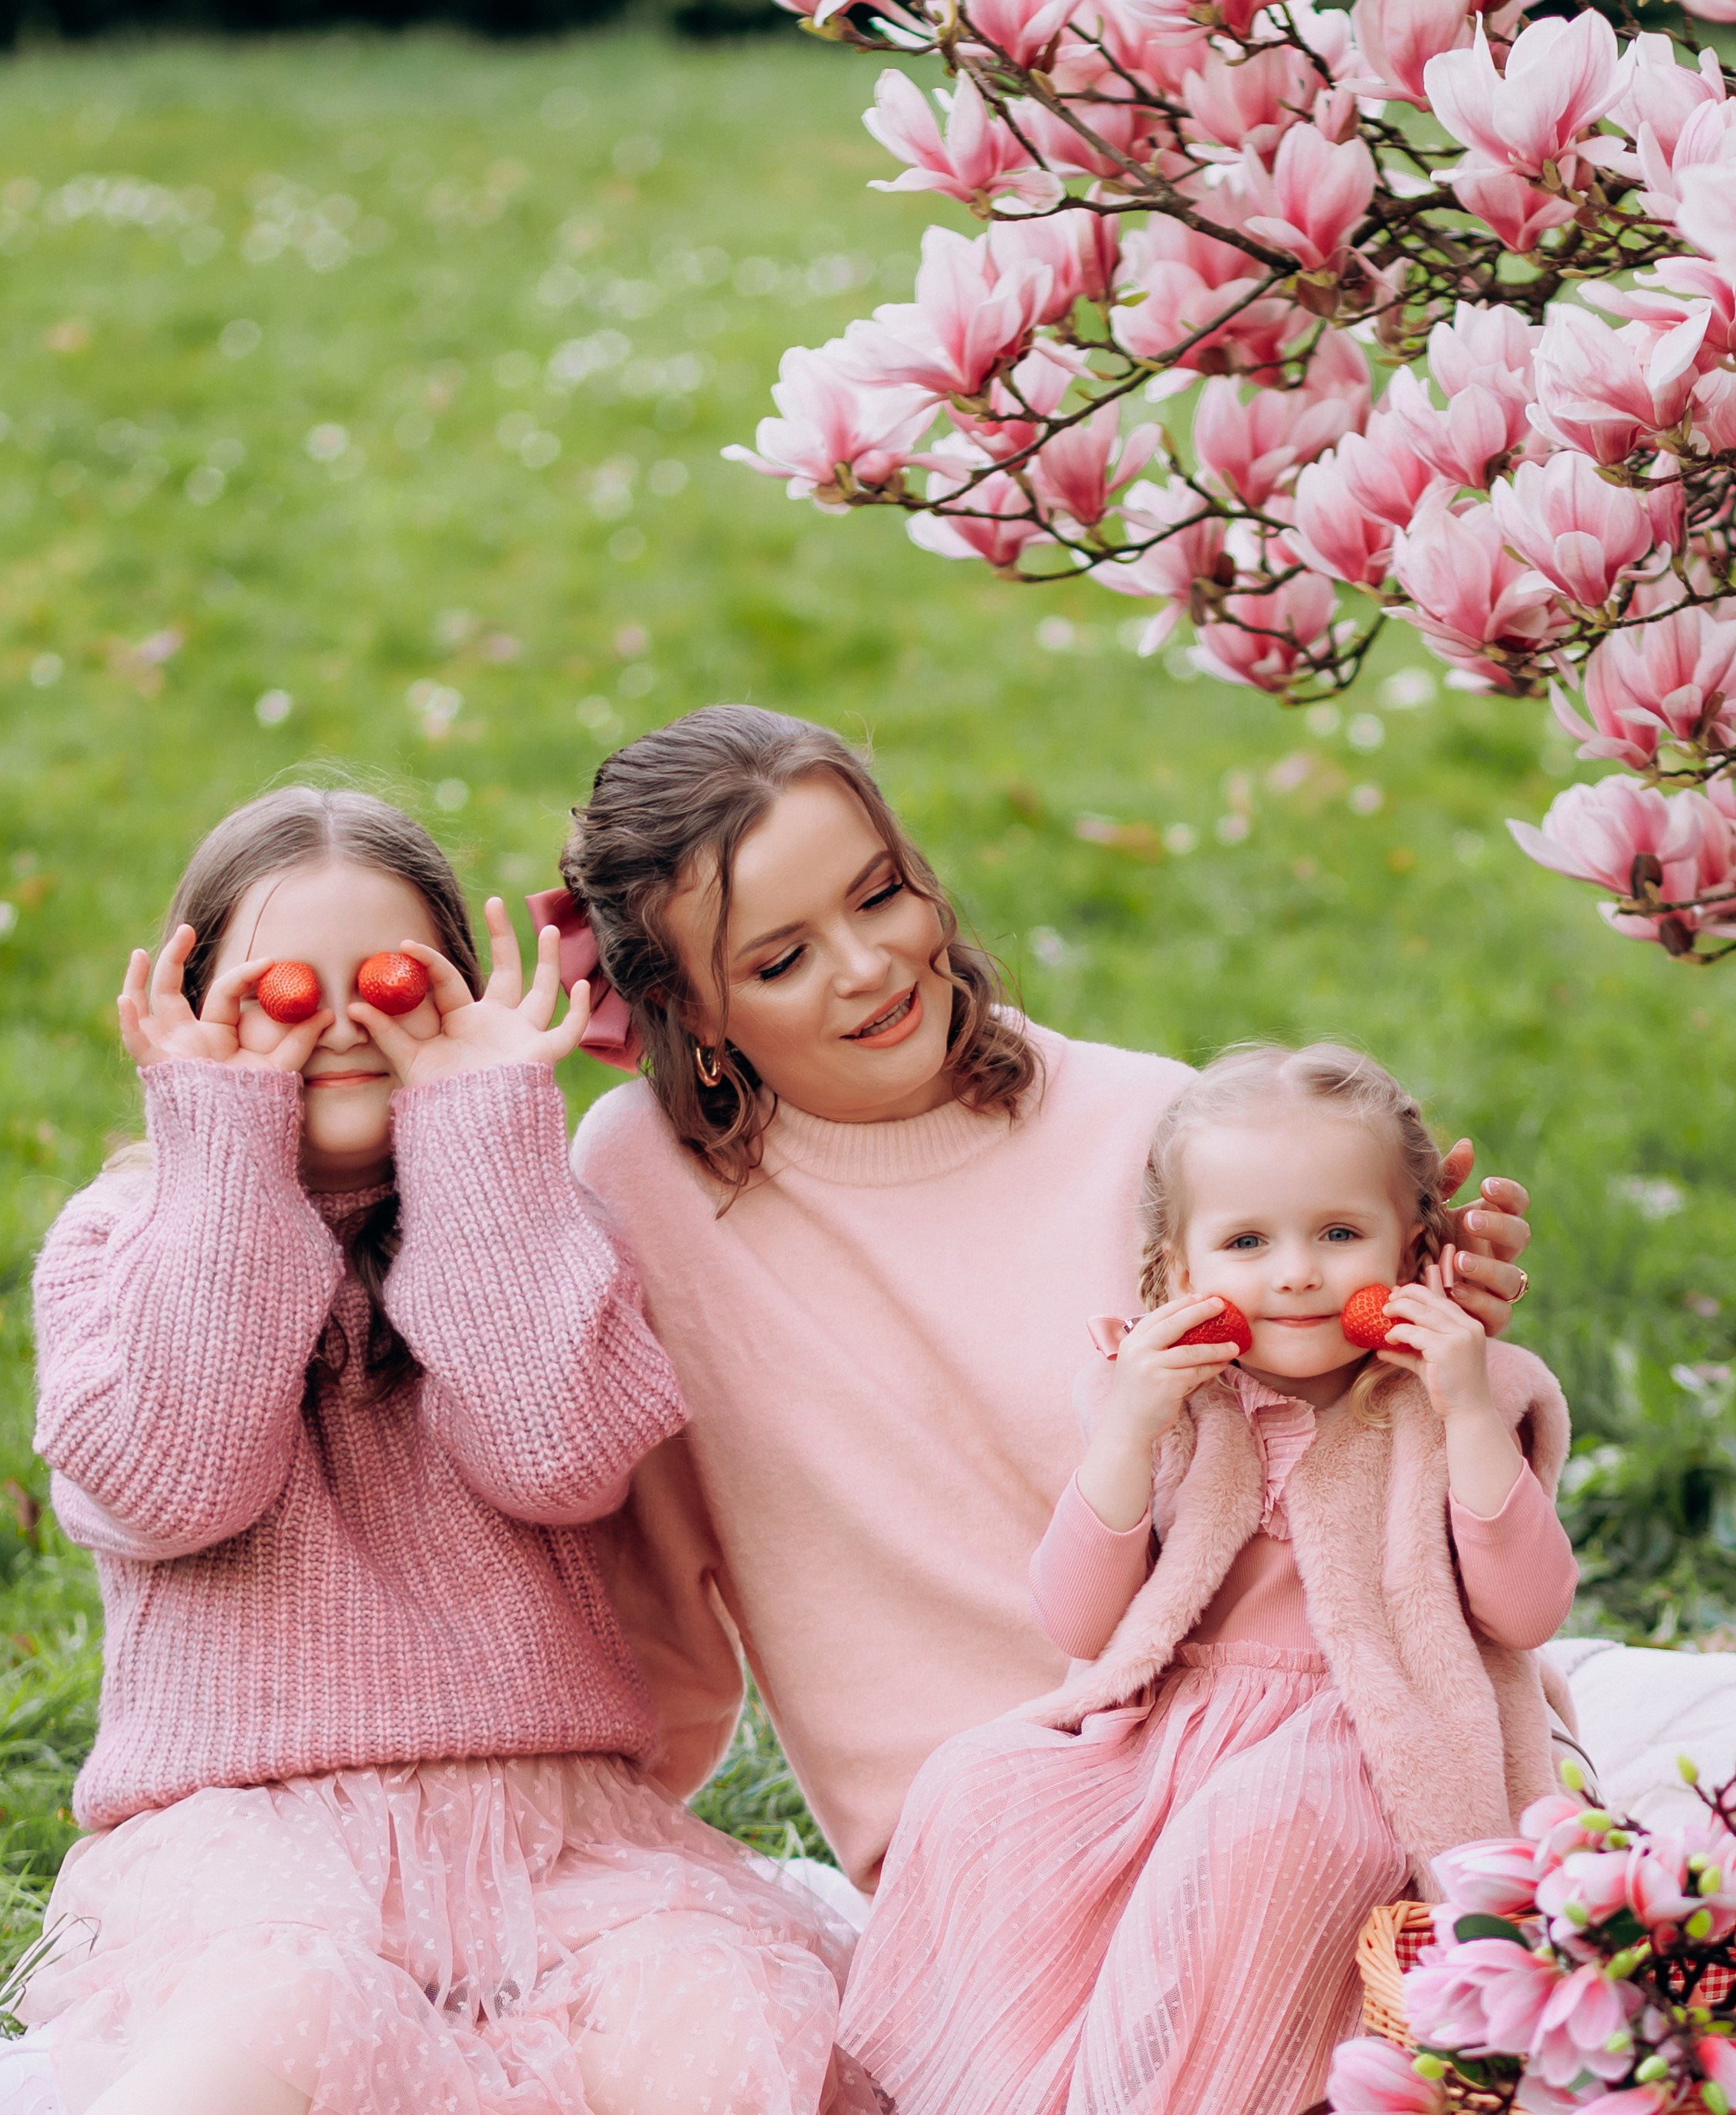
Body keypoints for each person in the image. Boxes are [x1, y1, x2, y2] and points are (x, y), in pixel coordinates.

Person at [0, 786, 898, 2115]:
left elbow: (560, 1456)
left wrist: (484, 1137)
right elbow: (175, 1477)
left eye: (403, 986)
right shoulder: (122, 1234)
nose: (347, 1023)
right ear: (200, 1002)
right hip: (251, 1832)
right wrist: (223, 1146)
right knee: (296, 2007)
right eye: (289, 992)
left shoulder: (539, 1222)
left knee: (736, 2056)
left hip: (546, 1835)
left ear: (469, 1000)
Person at [560, 707, 1536, 1899]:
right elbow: (642, 1582)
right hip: (984, 1833)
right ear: (692, 1013)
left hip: (1280, 1765)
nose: (868, 967)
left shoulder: (1155, 1131)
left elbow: (1323, 1518)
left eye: (879, 896)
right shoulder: (642, 1184)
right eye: (780, 959)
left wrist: (1416, 1343)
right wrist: (581, 1850)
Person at [839, 1043, 1577, 2115]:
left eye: (1340, 1233)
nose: (1294, 1276)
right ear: (1178, 1269)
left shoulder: (1461, 1395)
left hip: (1365, 1729)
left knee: (1250, 1837)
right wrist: (1127, 1427)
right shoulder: (1173, 1400)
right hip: (1175, 1716)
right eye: (1247, 1245)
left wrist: (1461, 1412)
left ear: (1416, 1248)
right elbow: (1082, 1626)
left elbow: (1527, 1609)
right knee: (988, 1792)